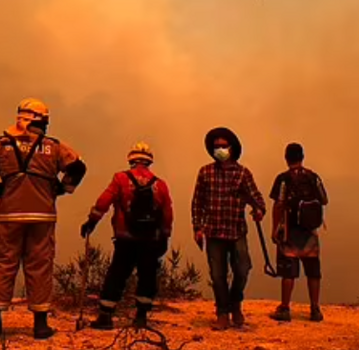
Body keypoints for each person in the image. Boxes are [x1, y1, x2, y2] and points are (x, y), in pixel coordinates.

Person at [0, 97, 87, 340]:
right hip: (43, 216)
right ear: (42, 121)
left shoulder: (0, 145)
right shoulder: (54, 147)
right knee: (40, 266)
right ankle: (40, 325)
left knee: (3, 264)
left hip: (9, 215)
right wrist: (62, 189)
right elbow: (78, 168)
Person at [80, 141, 174, 330]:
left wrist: (91, 222)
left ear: (130, 159)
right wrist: (165, 236)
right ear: (150, 161)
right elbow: (167, 213)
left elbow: (104, 201)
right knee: (147, 275)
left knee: (117, 274)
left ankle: (106, 316)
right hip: (150, 239)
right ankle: (141, 317)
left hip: (125, 237)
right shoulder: (160, 184)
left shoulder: (121, 179)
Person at [191, 127, 266, 330]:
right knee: (217, 275)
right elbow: (198, 202)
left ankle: (235, 303)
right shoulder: (205, 172)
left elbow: (257, 199)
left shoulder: (243, 174)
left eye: (223, 146)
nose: (220, 150)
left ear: (232, 148)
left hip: (236, 231)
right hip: (213, 232)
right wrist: (197, 228)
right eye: (216, 147)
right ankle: (222, 313)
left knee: (242, 270)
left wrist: (259, 210)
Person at [269, 142, 329, 322]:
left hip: (290, 230)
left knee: (289, 272)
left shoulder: (283, 179)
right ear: (302, 157)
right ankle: (315, 309)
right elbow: (324, 200)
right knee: (313, 271)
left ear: (286, 158)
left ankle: (285, 308)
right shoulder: (313, 177)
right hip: (310, 231)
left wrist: (274, 229)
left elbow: (278, 205)